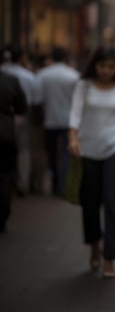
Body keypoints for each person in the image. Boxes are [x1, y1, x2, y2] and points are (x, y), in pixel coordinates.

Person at [67, 45, 115, 278]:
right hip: (87, 149)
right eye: (102, 66)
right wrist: (73, 138)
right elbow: (75, 115)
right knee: (89, 203)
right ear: (94, 65)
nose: (106, 71)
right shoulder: (83, 86)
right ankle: (95, 247)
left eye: (111, 67)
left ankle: (109, 258)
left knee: (112, 202)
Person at [37, 47, 80, 195]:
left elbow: (38, 99)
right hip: (69, 121)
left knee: (51, 153)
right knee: (66, 154)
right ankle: (62, 184)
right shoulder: (73, 75)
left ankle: (55, 181)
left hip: (49, 120)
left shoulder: (43, 75)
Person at [1, 45, 42, 196]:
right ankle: (22, 183)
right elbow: (35, 100)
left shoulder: (7, 74)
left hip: (10, 119)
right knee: (23, 150)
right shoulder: (27, 76)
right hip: (22, 117)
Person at [0, 71, 27, 232]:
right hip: (5, 134)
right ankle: (2, 216)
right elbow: (22, 107)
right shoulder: (10, 80)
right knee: (4, 177)